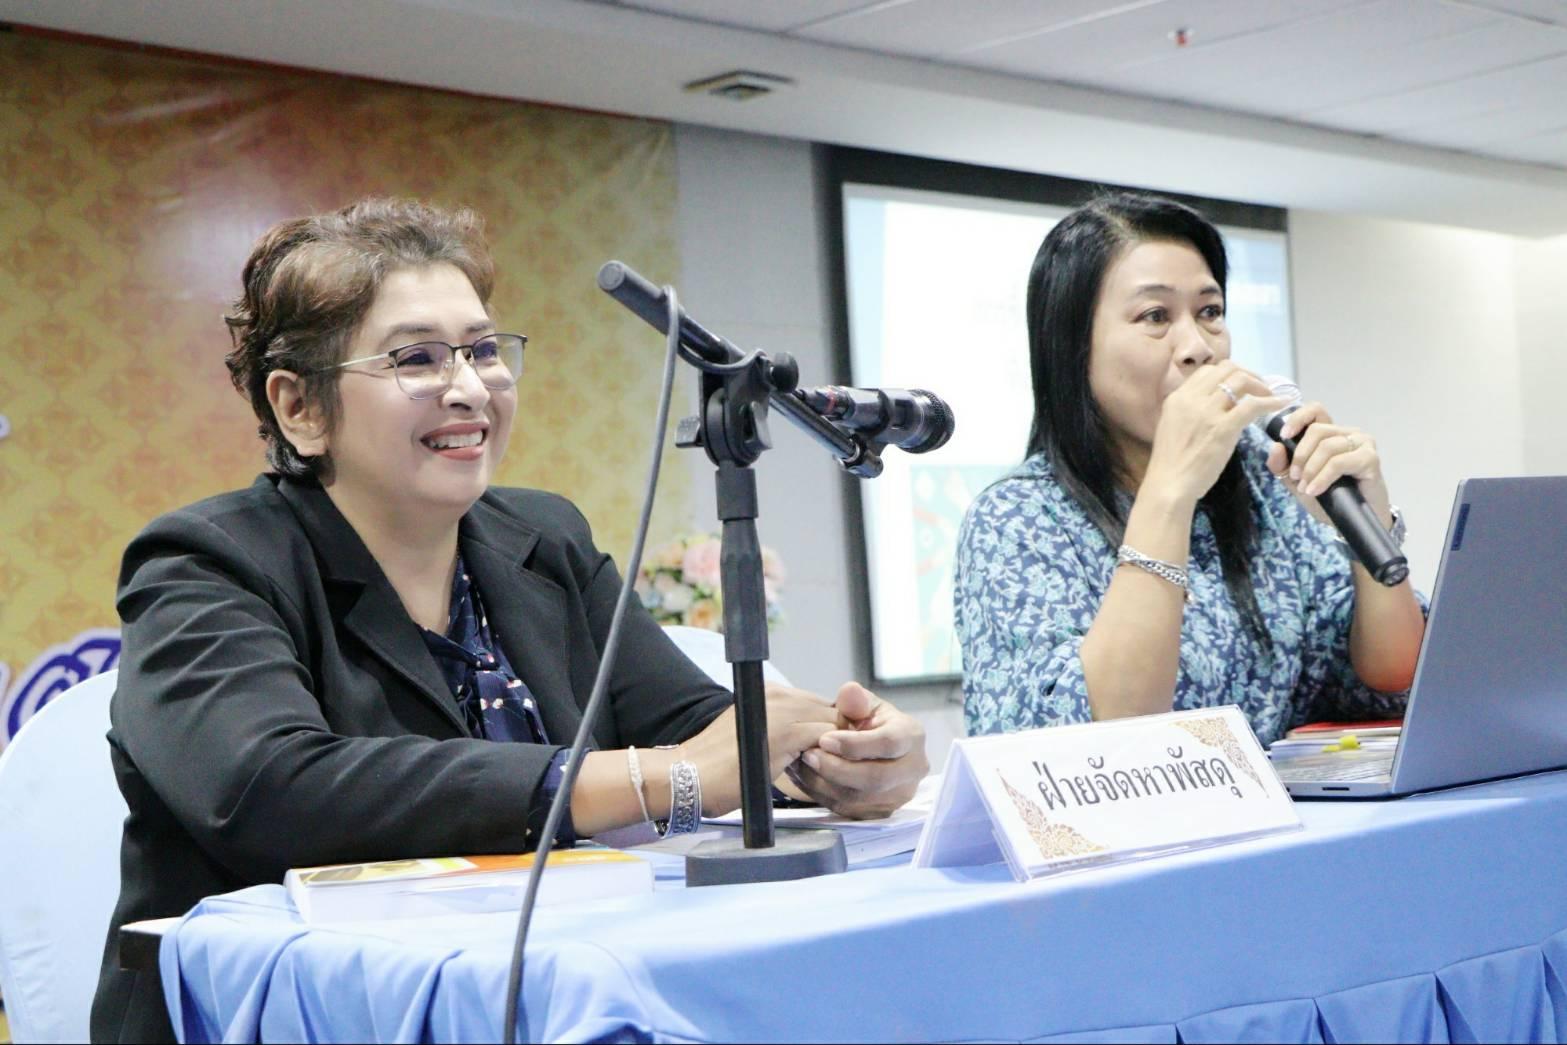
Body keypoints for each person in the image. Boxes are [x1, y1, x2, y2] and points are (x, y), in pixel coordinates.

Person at [91, 198, 928, 1043]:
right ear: (299, 407)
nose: (469, 387)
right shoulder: (207, 561)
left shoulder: (542, 537)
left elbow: (689, 724)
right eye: (416, 358)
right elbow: (268, 789)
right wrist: (661, 779)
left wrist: (827, 759)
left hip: (529, 990)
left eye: (484, 350)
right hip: (294, 1012)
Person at [955, 192, 1426, 748]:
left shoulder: (1260, 476)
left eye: (1210, 313)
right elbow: (1096, 742)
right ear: (1073, 345)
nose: (1198, 347)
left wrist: (1368, 524)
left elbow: (1393, 677)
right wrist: (1170, 491)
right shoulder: (1015, 518)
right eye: (1155, 317)